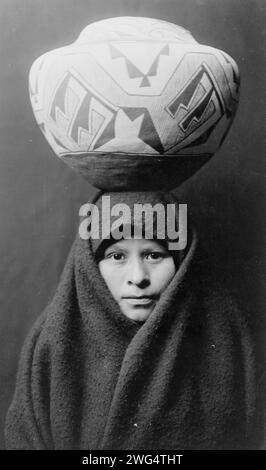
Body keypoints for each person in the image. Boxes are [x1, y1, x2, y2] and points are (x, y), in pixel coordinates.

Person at [5, 190, 259, 449]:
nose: (138, 277)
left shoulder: (227, 338)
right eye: (117, 256)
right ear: (89, 265)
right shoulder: (51, 343)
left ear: (183, 261)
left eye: (154, 255)